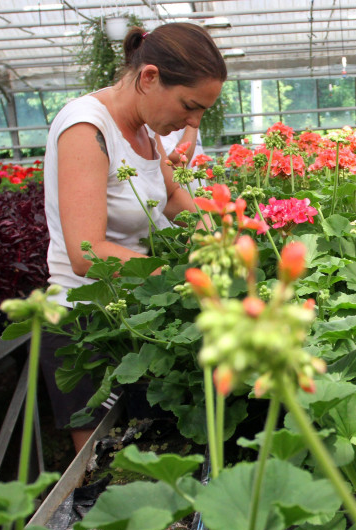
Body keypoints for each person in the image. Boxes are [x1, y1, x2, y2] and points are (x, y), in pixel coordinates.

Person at [41, 22, 226, 453]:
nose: (193, 122)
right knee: (106, 464)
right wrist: (178, 279)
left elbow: (174, 195)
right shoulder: (86, 129)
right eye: (189, 106)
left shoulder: (145, 131)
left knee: (149, 451)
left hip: (130, 312)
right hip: (83, 322)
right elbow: (87, 254)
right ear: (149, 78)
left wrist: (216, 231)